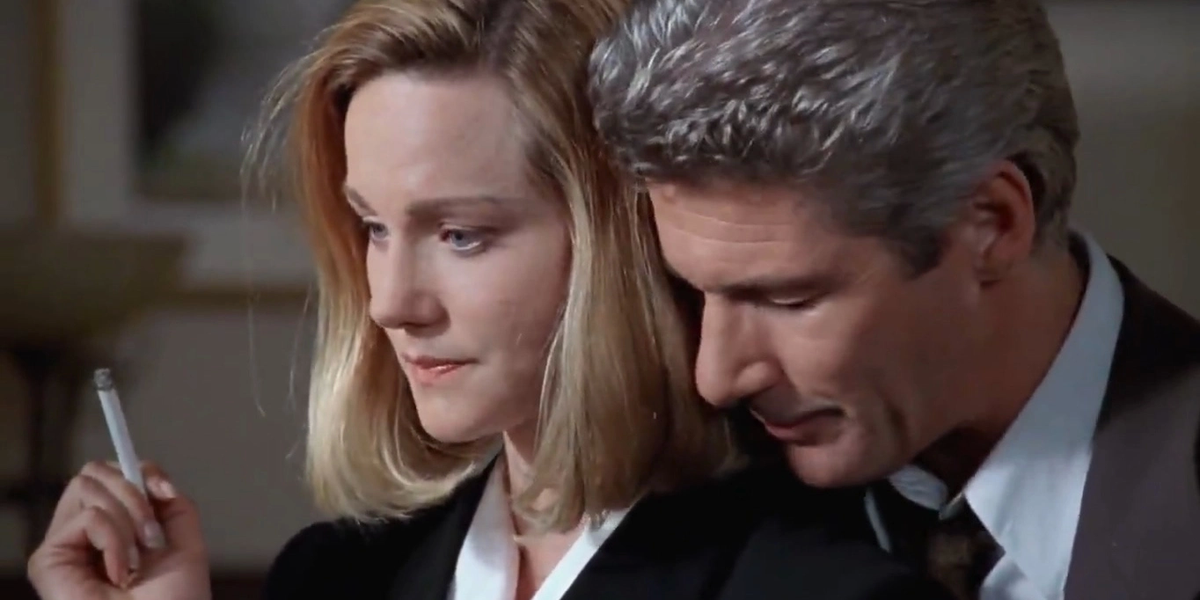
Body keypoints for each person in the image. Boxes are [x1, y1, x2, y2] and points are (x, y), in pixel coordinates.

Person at [26, 1, 953, 599]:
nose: (392, 304)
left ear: (623, 239)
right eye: (373, 227)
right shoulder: (334, 579)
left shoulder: (823, 584)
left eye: (462, 235)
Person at [587, 0, 1200, 599]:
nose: (716, 378)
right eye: (694, 293)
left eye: (788, 299)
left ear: (993, 223)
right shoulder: (694, 503)